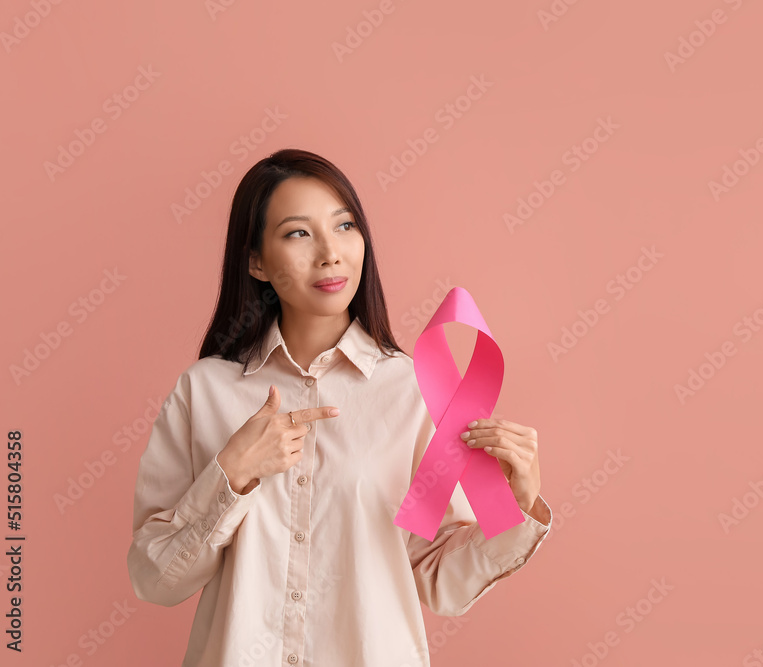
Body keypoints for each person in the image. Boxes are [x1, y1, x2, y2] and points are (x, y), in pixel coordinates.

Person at [125, 148, 553, 666]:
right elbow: (154, 579)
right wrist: (230, 474)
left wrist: (518, 505)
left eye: (345, 225)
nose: (330, 253)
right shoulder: (204, 392)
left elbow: (438, 577)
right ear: (256, 261)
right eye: (298, 233)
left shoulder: (412, 393)